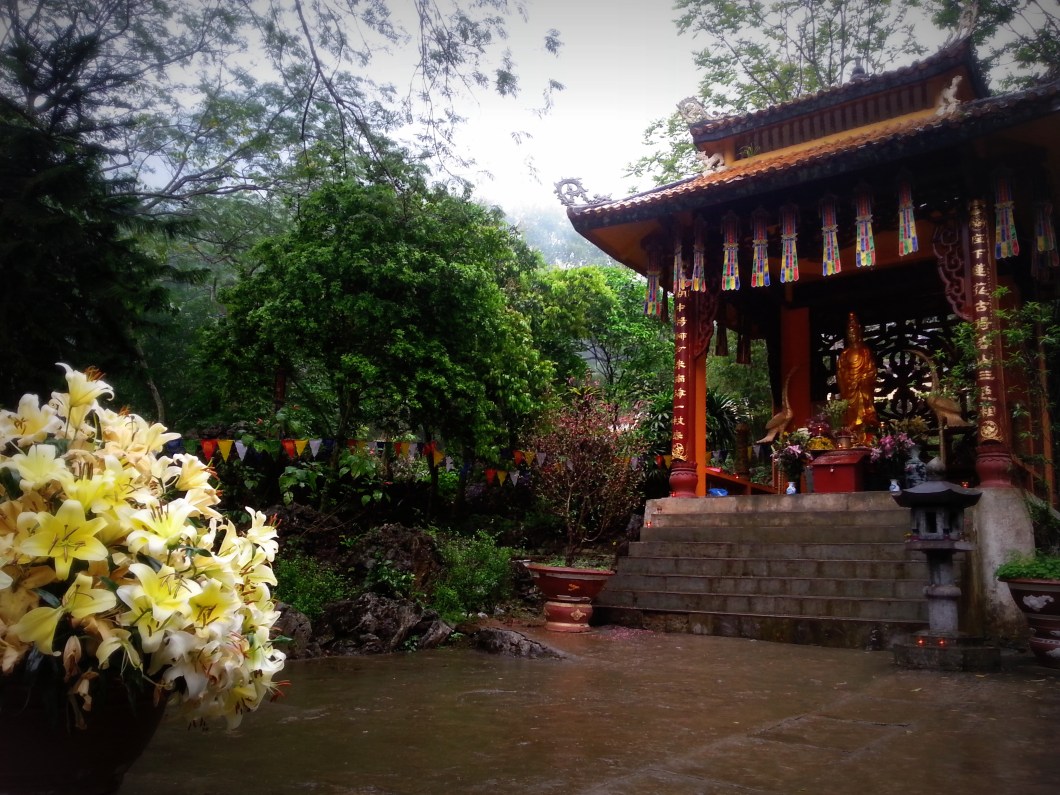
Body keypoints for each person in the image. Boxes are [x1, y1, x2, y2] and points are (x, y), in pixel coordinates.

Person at [836, 312, 878, 441]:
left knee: (865, 413)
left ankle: (866, 437)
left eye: (854, 333)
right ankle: (851, 437)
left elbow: (872, 370)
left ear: (859, 333)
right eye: (849, 334)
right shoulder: (845, 353)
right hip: (849, 389)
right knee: (850, 412)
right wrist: (849, 381)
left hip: (862, 387)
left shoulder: (864, 351)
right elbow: (840, 372)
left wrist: (861, 379)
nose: (852, 336)